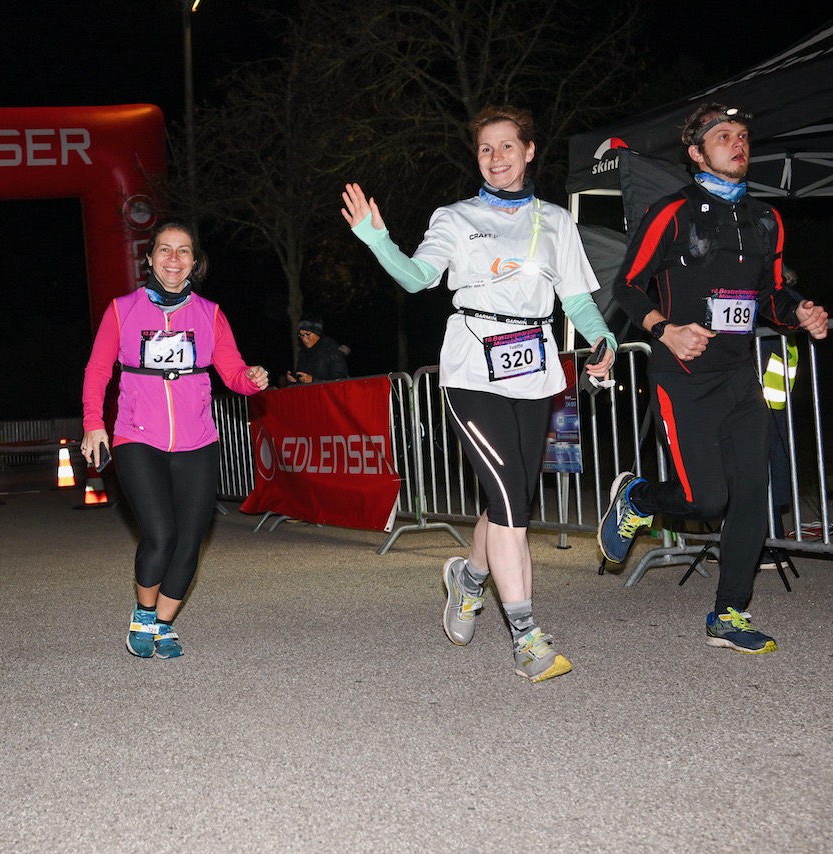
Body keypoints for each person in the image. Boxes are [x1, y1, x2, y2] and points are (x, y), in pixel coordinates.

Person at [341, 105, 615, 683]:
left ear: (529, 151)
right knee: (513, 505)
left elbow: (580, 301)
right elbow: (419, 278)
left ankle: (468, 577)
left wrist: (604, 339)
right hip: (472, 367)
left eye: (507, 147)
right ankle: (526, 636)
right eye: (486, 150)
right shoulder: (455, 216)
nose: (496, 158)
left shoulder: (557, 221)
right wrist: (376, 239)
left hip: (536, 369)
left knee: (509, 494)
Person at [599, 104, 827, 654]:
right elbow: (628, 286)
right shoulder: (670, 212)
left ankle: (729, 613)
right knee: (705, 502)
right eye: (723, 136)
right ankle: (638, 497)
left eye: (743, 135)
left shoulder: (766, 220)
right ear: (697, 153)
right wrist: (664, 329)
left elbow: (768, 296)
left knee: (750, 494)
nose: (737, 143)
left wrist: (796, 313)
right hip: (683, 377)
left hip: (739, 377)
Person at [81, 216, 269, 659]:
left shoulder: (211, 314)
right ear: (149, 258)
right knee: (161, 534)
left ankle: (163, 624)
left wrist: (251, 379)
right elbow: (97, 370)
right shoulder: (122, 310)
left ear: (194, 262)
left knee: (191, 539)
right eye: (165, 248)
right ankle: (143, 614)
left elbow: (232, 372)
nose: (174, 258)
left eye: (184, 250)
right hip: (136, 436)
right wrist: (94, 422)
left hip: (197, 440)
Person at [286, 319, 349, 384]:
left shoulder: (332, 351)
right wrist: (295, 380)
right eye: (301, 335)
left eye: (307, 334)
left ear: (317, 333)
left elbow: (339, 382)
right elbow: (302, 380)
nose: (304, 339)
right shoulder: (303, 354)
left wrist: (313, 380)